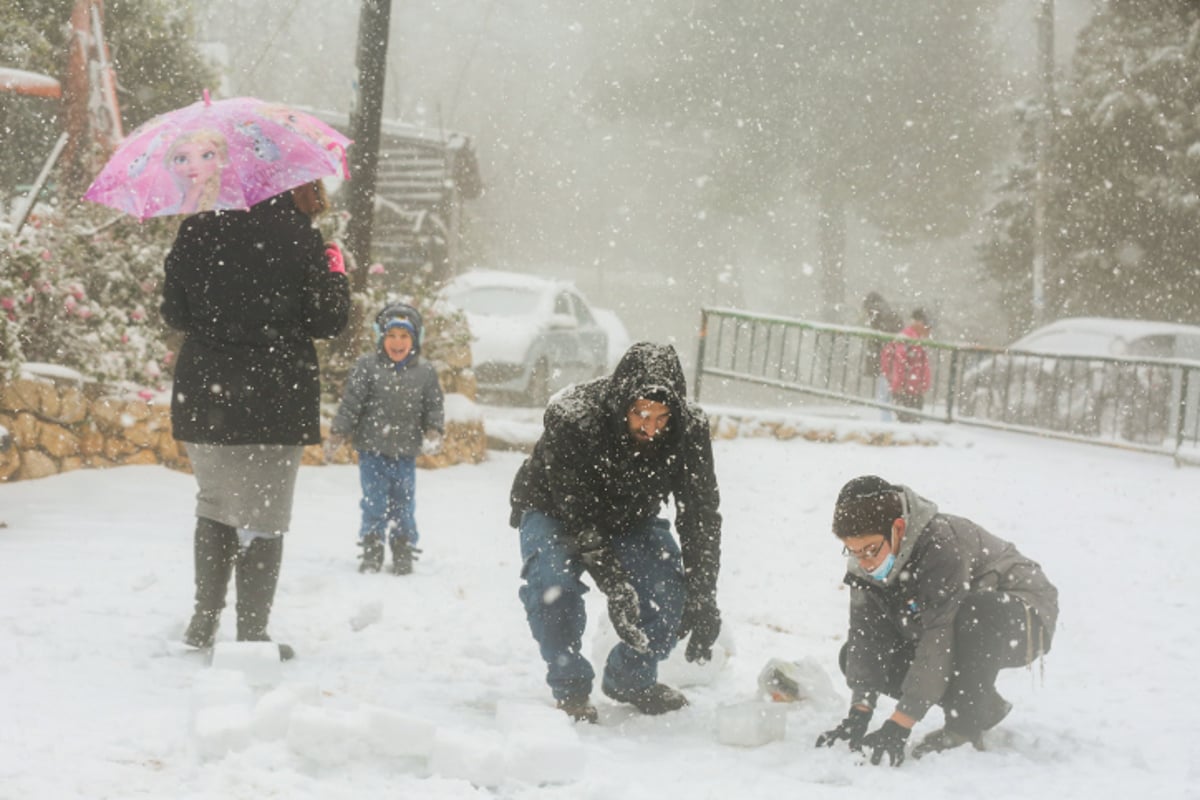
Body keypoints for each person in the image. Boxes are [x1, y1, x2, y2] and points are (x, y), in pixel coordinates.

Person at [162, 180, 350, 661]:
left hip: (206, 392)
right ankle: (251, 634)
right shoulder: (302, 237)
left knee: (215, 504)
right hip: (276, 396)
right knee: (264, 516)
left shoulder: (197, 230)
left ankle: (203, 623)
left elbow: (175, 313)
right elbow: (326, 322)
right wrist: (334, 270)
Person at [509, 342, 724, 723]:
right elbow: (579, 513)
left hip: (632, 516)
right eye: (641, 414)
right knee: (552, 587)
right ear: (622, 401)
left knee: (671, 594)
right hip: (556, 511)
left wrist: (704, 595)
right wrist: (616, 584)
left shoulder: (689, 429)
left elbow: (700, 515)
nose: (651, 428)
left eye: (662, 418)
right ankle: (571, 687)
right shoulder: (572, 415)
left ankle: (631, 678)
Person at [816, 475, 1058, 766]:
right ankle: (984, 706)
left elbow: (937, 638)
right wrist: (859, 713)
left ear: (898, 528)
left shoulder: (941, 543)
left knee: (976, 613)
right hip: (955, 624)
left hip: (1020, 617)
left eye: (870, 550)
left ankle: (964, 727)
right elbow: (866, 636)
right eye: (853, 551)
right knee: (854, 655)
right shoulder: (864, 563)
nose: (864, 562)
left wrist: (900, 724)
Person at [329, 301, 445, 575]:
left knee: (404, 502)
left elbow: (434, 405)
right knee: (374, 501)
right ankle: (372, 545)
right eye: (391, 335)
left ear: (415, 339)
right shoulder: (367, 366)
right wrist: (338, 432)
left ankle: (403, 546)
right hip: (372, 450)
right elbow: (351, 403)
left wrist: (433, 430)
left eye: (404, 336)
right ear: (381, 337)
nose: (397, 342)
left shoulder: (425, 372)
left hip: (405, 452)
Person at [880, 308, 933, 423]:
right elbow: (900, 364)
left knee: (910, 420)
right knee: (909, 421)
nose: (929, 330)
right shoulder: (909, 339)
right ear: (919, 323)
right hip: (907, 389)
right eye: (927, 325)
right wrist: (898, 386)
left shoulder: (915, 339)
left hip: (912, 388)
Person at [861, 292, 904, 422]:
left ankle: (886, 424)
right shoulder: (890, 315)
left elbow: (876, 342)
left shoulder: (877, 317)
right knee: (890, 396)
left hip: (886, 363)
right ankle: (892, 421)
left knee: (883, 397)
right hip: (894, 361)